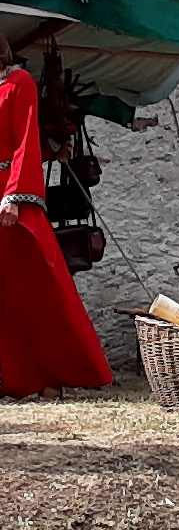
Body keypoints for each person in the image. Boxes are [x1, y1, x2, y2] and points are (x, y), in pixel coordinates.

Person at [0, 32, 113, 399]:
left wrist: (15, 197)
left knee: (35, 288)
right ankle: (15, 375)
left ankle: (55, 373)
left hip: (9, 196)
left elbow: (24, 143)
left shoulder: (18, 83)